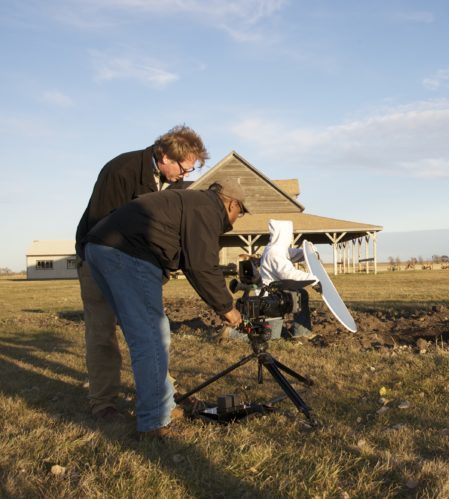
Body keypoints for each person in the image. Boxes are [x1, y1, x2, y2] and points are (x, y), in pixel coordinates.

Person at [82, 178, 246, 438]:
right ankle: (154, 422)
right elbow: (201, 265)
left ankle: (165, 406)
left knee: (143, 335)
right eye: (241, 212)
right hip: (128, 253)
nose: (237, 219)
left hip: (99, 249)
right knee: (152, 338)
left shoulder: (188, 202)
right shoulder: (207, 209)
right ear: (231, 203)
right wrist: (227, 307)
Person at [75, 125, 208, 421]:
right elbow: (103, 229)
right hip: (98, 260)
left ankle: (164, 395)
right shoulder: (122, 170)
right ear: (163, 155)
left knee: (150, 331)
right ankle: (103, 402)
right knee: (102, 331)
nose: (184, 176)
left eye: (190, 171)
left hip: (138, 265)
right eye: (182, 169)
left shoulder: (173, 185)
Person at [259, 219, 319, 339]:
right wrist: (313, 279)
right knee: (269, 337)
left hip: (277, 294)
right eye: (289, 234)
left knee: (300, 294)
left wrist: (308, 253)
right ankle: (230, 333)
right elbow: (288, 274)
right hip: (271, 300)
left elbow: (292, 254)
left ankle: (302, 332)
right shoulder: (274, 253)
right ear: (283, 234)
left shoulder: (276, 249)